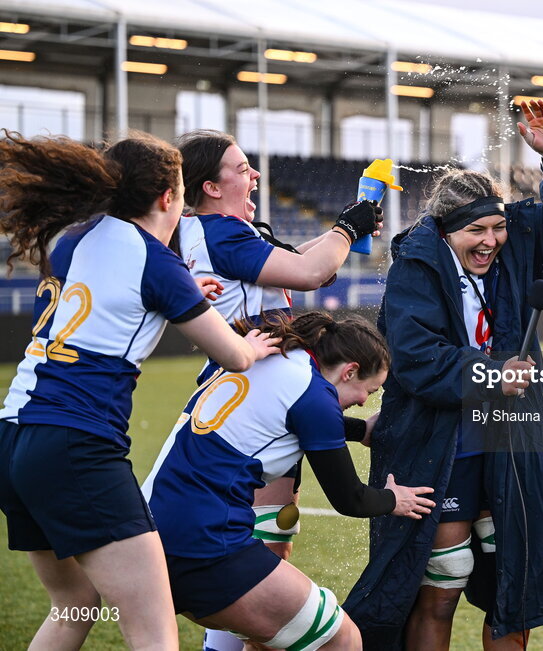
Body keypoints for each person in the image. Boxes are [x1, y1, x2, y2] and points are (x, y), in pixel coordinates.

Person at [0, 131, 280, 650]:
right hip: (74, 444)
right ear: (168, 198)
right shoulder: (158, 261)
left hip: (15, 437)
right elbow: (234, 355)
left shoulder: (75, 239)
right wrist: (259, 347)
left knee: (74, 605)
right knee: (153, 630)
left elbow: (110, 296)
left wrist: (179, 290)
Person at [343, 100, 543, 649]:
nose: (490, 241)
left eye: (499, 228)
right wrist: (491, 372)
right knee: (440, 590)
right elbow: (415, 357)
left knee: (516, 590)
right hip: (442, 448)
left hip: (510, 443)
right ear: (447, 230)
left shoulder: (513, 248)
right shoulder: (416, 266)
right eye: (476, 230)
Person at [173, 130, 382, 651]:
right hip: (262, 402)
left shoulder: (216, 233)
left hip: (254, 400)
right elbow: (314, 271)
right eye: (242, 169)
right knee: (256, 559)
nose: (255, 176)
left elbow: (299, 259)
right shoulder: (221, 233)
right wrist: (345, 228)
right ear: (210, 187)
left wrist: (343, 229)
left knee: (262, 554)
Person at [141, 311, 434, 650]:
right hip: (203, 545)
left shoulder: (273, 355)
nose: (363, 401)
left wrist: (358, 430)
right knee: (343, 640)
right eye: (368, 390)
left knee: (269, 641)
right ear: (350, 370)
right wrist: (395, 499)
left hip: (153, 533)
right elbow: (350, 498)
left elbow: (288, 417)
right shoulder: (312, 394)